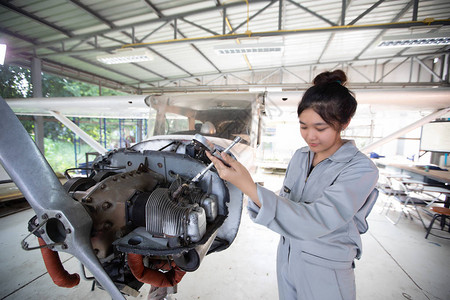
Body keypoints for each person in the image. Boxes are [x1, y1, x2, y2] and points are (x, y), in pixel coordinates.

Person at [206, 70, 379, 300]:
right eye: (303, 126)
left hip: (325, 268)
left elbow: (315, 220)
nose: (310, 136)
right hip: (287, 257)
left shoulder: (360, 169)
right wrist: (243, 188)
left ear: (344, 123)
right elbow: (286, 202)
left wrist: (248, 185)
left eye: (321, 128)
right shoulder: (300, 157)